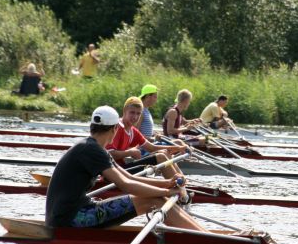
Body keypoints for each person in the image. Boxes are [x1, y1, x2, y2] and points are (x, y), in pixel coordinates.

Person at [45, 105, 207, 231]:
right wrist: (166, 192)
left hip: (74, 212)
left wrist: (167, 183)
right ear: (115, 128)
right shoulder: (91, 149)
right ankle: (206, 238)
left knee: (157, 198)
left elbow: (130, 178)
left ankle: (203, 234)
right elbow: (125, 185)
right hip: (70, 219)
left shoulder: (94, 147)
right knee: (155, 200)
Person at [107, 97, 187, 176]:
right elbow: (109, 154)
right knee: (160, 157)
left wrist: (178, 148)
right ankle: (177, 182)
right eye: (132, 112)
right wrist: (130, 152)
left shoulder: (133, 131)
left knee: (164, 152)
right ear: (124, 111)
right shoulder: (117, 127)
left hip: (122, 169)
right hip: (113, 172)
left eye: (138, 113)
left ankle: (181, 179)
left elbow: (152, 148)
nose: (135, 117)